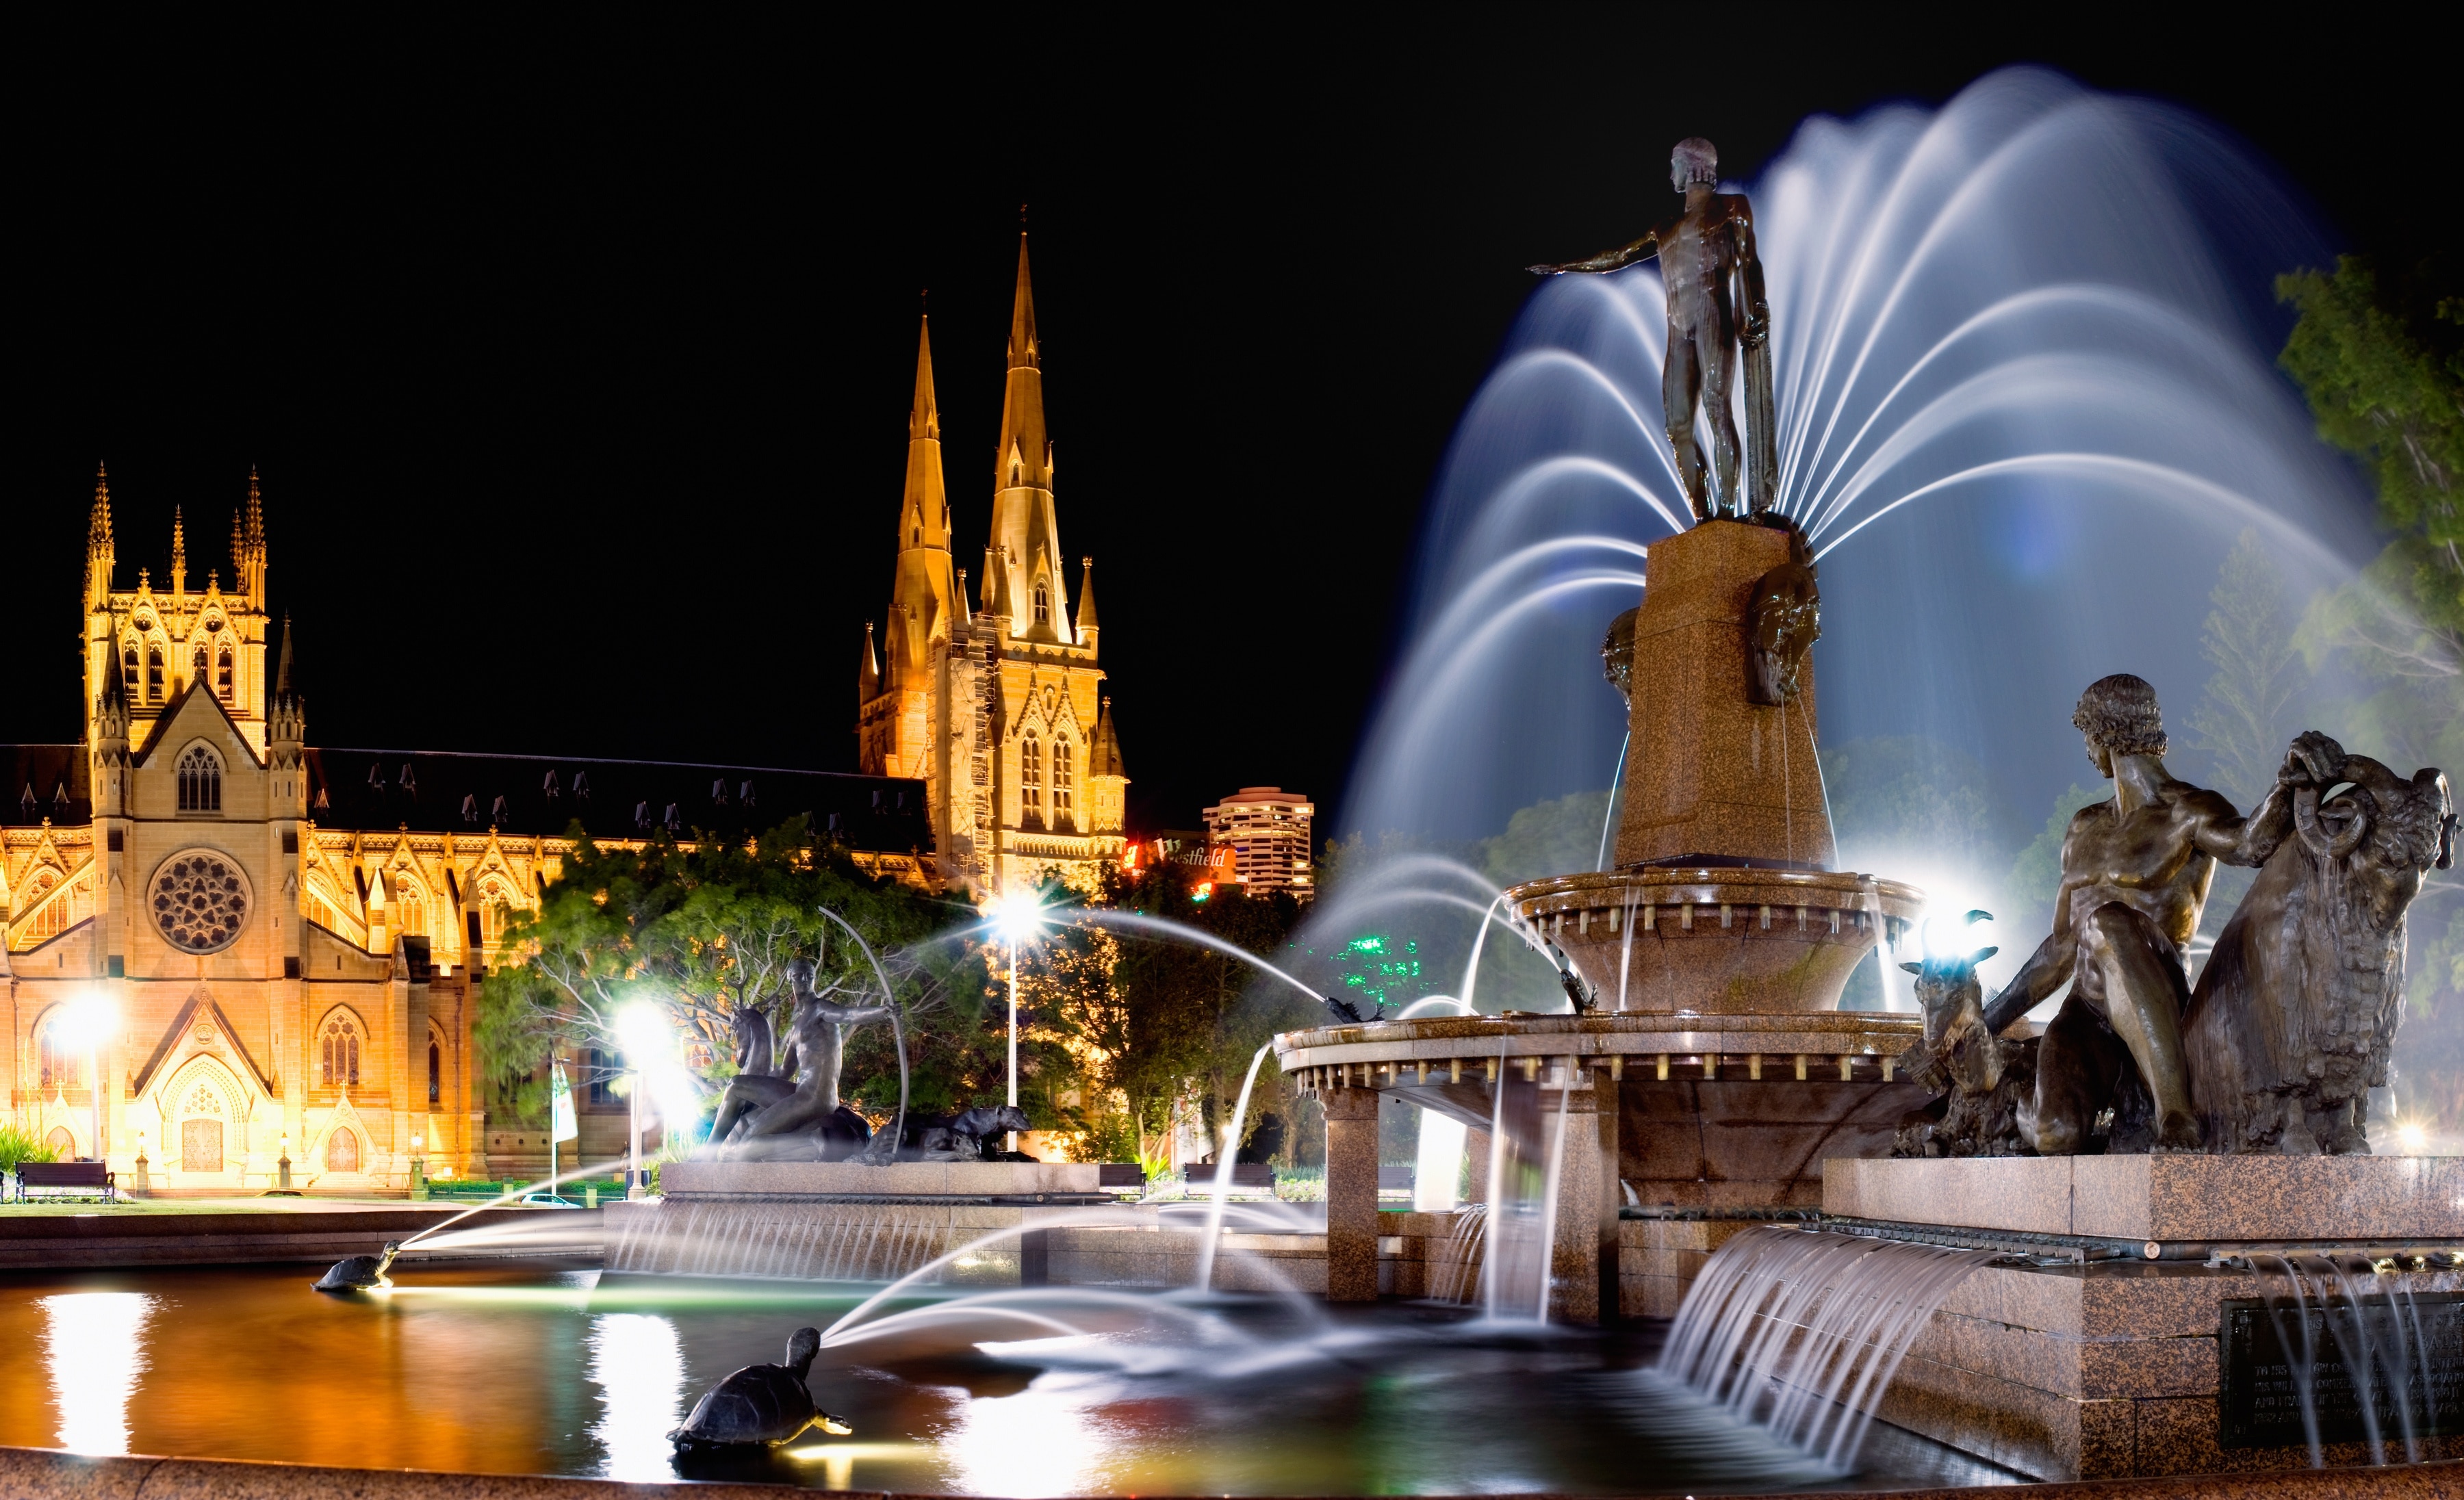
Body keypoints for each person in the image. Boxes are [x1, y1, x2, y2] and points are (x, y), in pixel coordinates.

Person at [1979, 675, 2339, 1151]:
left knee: (2108, 922)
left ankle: (2175, 1113)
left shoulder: (2187, 811)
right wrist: (1985, 1023)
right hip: (2087, 1009)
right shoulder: (2084, 826)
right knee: (2055, 1133)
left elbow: (2249, 844)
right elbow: (2062, 947)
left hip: (2159, 993)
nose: (2087, 750)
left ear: (2104, 732)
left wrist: (2289, 784)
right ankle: (2025, 1102)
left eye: (2087, 735)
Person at [1530, 138, 1771, 521]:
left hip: (1713, 312)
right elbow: (1618, 257)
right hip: (1678, 328)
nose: (1670, 173)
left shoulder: (1731, 208)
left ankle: (1728, 515)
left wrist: (1757, 305)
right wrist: (1565, 267)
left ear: (1693, 166)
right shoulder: (1665, 228)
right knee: (1678, 425)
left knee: (1715, 405)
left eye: (1675, 164)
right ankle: (1704, 517)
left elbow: (1750, 261)